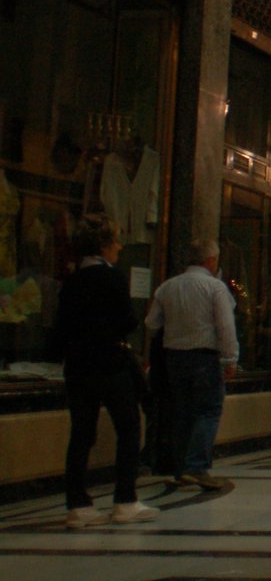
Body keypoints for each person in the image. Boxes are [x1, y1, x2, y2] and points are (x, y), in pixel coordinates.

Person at [56, 216, 155, 526]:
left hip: (77, 366)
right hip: (110, 364)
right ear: (103, 246)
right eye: (115, 242)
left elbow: (61, 328)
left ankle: (78, 505)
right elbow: (128, 321)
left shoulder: (71, 281)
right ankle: (125, 500)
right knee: (128, 428)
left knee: (81, 433)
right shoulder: (112, 278)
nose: (120, 247)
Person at [146, 239, 238, 490]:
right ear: (211, 261)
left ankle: (180, 468)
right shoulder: (215, 288)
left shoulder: (167, 287)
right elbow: (225, 326)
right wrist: (230, 359)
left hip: (174, 358)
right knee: (208, 410)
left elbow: (152, 323)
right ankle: (196, 466)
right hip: (204, 358)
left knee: (182, 412)